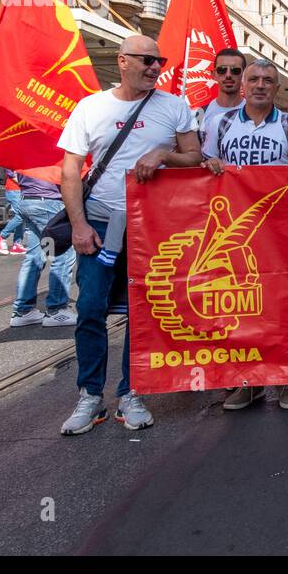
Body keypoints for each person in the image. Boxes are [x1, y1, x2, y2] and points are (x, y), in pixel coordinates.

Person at [57, 35, 202, 435]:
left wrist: (163, 155)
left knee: (144, 312)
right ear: (123, 61)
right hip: (101, 225)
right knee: (89, 309)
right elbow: (70, 171)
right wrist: (80, 225)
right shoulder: (91, 107)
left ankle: (131, 393)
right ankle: (90, 396)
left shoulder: (174, 106)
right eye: (147, 60)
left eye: (160, 60)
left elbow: (194, 158)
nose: (156, 67)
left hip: (152, 228)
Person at [203, 58, 288, 411]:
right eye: (255, 79)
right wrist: (211, 167)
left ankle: (287, 379)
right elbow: (203, 172)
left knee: (283, 307)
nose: (261, 85)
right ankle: (247, 381)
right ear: (244, 86)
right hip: (233, 233)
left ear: (277, 87)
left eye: (268, 79)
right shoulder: (220, 125)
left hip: (280, 231)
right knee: (242, 308)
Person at [7, 166, 77, 328]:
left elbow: (12, 173)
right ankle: (56, 309)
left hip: (28, 200)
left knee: (35, 257)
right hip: (49, 202)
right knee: (62, 256)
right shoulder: (53, 145)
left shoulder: (25, 145)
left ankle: (23, 311)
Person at [198, 47, 247, 139]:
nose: (228, 75)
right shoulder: (199, 114)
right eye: (222, 70)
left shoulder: (256, 113)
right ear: (214, 74)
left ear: (244, 75)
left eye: (235, 70)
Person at [0, 170, 26, 255]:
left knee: (22, 217)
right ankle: (1, 237)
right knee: (21, 215)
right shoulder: (14, 158)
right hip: (14, 190)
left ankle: (17, 244)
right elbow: (12, 175)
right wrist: (27, 184)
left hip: (19, 190)